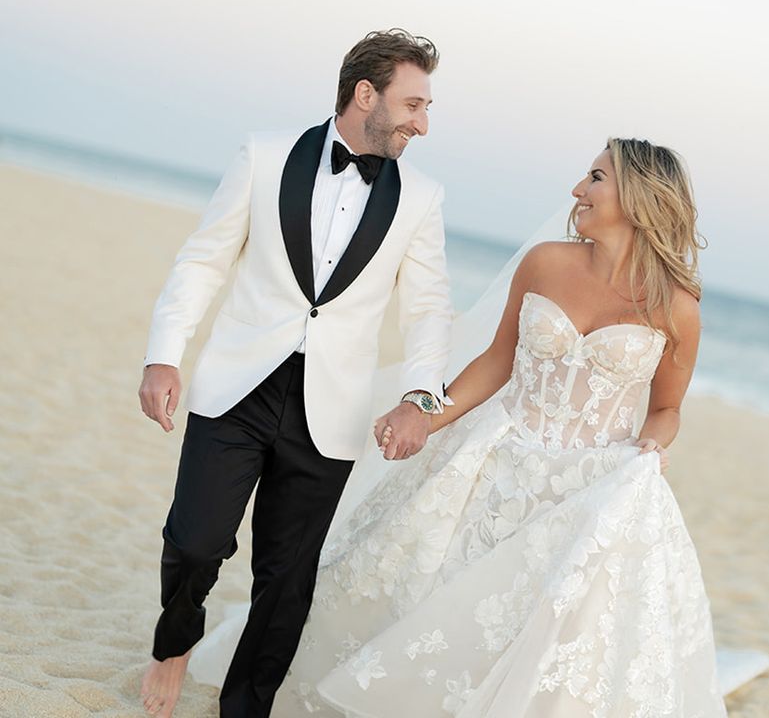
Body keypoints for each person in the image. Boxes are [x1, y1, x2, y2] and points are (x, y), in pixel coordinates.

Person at [209, 136, 733, 716]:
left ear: (637, 197)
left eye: (595, 178)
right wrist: (424, 414)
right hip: (494, 460)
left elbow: (667, 408)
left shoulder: (677, 306)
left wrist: (651, 446)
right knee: (418, 591)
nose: (578, 190)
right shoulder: (546, 263)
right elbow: (496, 361)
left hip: (589, 487)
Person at [137, 29, 453, 717]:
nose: (422, 124)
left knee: (285, 583)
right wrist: (165, 353)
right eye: (413, 104)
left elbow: (430, 311)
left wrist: (419, 399)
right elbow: (204, 261)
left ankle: (245, 707)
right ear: (365, 94)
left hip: (330, 411)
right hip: (237, 387)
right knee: (193, 544)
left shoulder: (421, 198)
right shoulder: (264, 154)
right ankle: (175, 642)